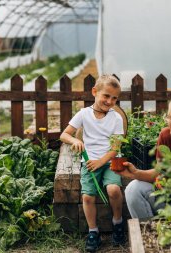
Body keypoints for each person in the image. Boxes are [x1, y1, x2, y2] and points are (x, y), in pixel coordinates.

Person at [60, 75, 126, 252]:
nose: (110, 101)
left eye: (114, 98)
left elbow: (116, 147)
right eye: (106, 96)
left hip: (111, 160)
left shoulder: (116, 118)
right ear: (94, 92)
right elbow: (64, 134)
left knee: (113, 189)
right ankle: (93, 231)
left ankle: (118, 223)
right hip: (90, 162)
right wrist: (74, 141)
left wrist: (101, 162)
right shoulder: (84, 114)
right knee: (88, 196)